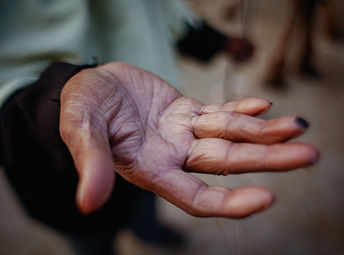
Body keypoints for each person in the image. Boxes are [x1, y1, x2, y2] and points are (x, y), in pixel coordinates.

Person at [0, 1, 319, 254]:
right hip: (54, 162)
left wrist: (217, 41)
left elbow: (159, 13)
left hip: (154, 137)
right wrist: (59, 96)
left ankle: (148, 231)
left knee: (148, 198)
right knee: (91, 234)